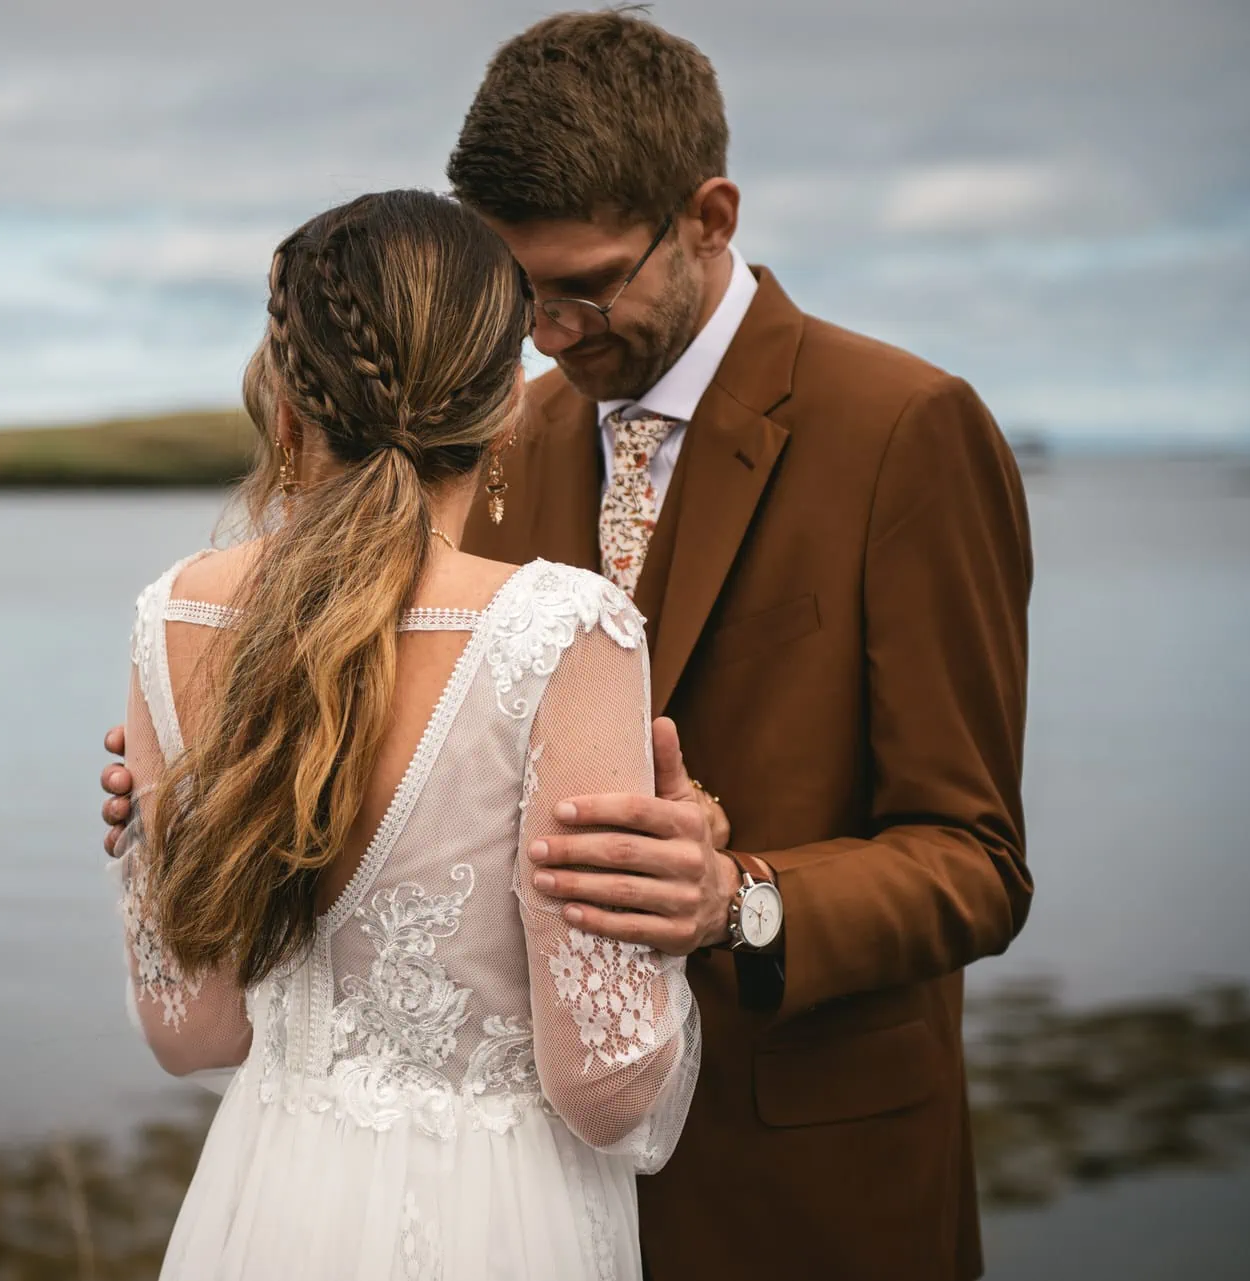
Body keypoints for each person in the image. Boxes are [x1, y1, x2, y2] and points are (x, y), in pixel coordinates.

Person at [107, 13, 1034, 1279]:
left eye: (585, 287)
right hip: (505, 1205)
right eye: (517, 293)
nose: (547, 333)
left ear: (710, 214)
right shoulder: (488, 436)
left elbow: (976, 857)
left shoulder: (904, 430)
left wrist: (740, 901)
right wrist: (235, 791)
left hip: (799, 1185)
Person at [112, 188, 700, 1281]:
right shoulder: (568, 631)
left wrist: (157, 845)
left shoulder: (176, 616)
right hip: (500, 1223)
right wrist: (679, 914)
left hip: (264, 1206)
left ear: (287, 399)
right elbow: (607, 1087)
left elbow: (190, 1035)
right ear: (507, 406)